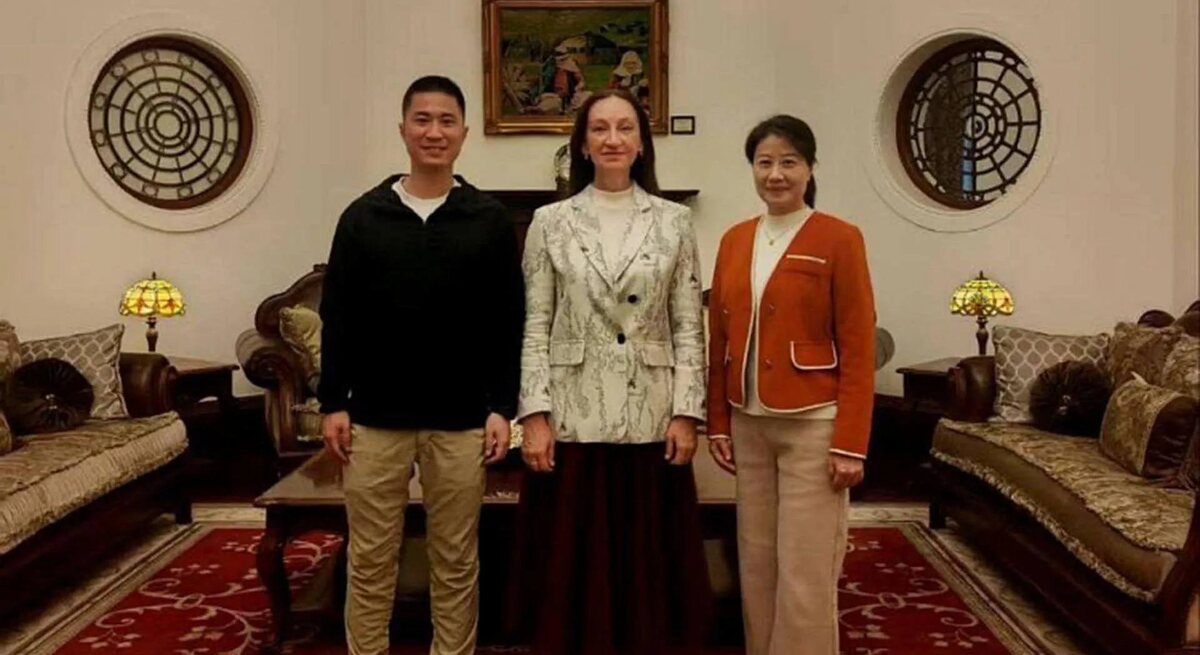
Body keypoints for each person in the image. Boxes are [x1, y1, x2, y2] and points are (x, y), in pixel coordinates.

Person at [319, 75, 524, 655]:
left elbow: (507, 319)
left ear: (463, 133)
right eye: (423, 119)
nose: (434, 131)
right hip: (374, 419)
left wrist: (502, 407)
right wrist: (333, 401)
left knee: (455, 559)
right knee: (370, 558)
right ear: (404, 128)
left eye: (446, 121)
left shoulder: (488, 220)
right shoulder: (363, 217)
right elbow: (339, 314)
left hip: (461, 421)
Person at [510, 88, 712, 655]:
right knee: (574, 562)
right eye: (599, 128)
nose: (613, 139)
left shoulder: (674, 221)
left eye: (625, 128)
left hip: (651, 414)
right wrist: (534, 414)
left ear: (643, 143)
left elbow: (688, 324)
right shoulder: (550, 222)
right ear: (582, 144)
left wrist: (687, 411)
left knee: (647, 562)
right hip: (574, 412)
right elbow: (535, 322)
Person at [705, 115, 876, 655]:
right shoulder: (735, 239)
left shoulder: (839, 238)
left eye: (788, 162)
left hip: (813, 425)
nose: (775, 174)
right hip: (748, 423)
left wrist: (850, 443)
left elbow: (858, 343)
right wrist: (718, 423)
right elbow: (719, 340)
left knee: (806, 567)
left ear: (809, 168)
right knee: (756, 561)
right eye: (765, 162)